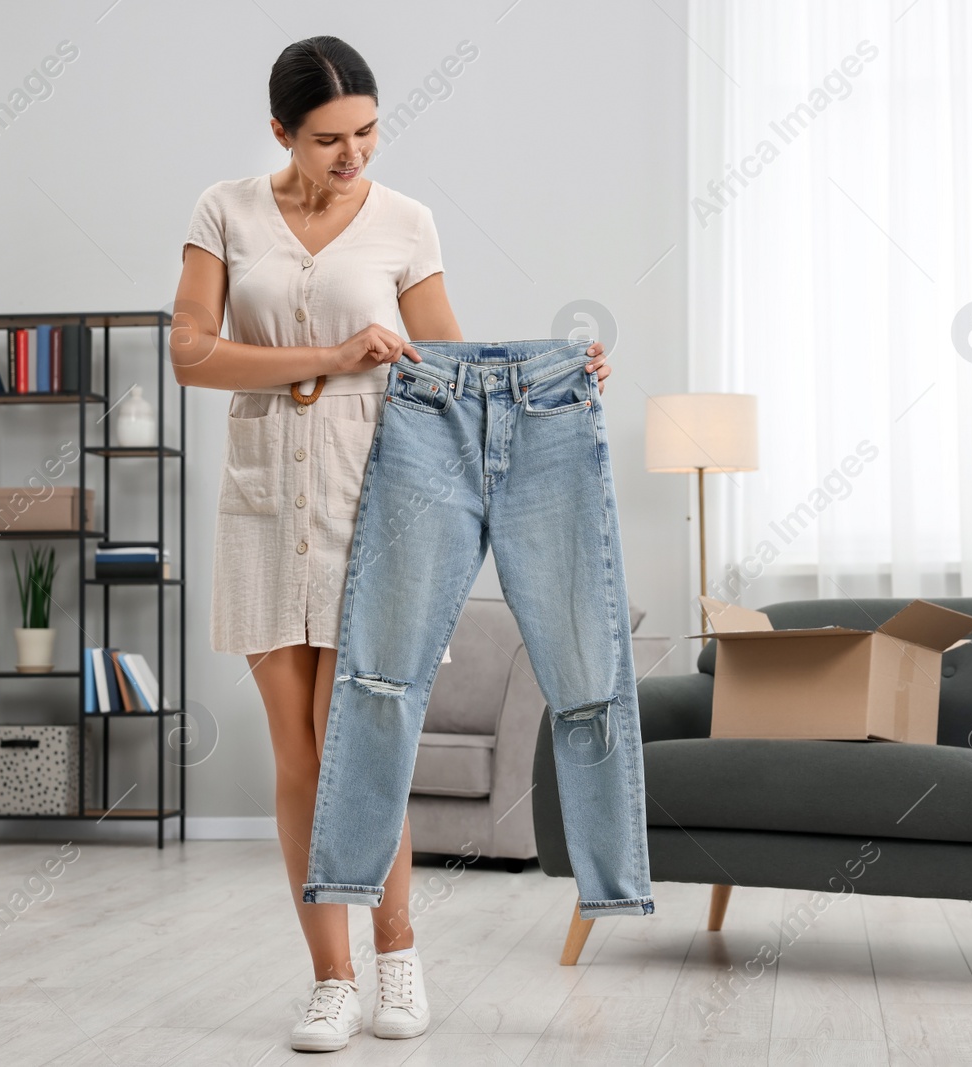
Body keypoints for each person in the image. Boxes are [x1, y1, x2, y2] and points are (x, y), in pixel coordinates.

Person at [170, 35, 612, 1053]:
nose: (352, 153)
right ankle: (330, 979)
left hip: (379, 499)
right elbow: (190, 351)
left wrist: (556, 376)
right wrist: (328, 353)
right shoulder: (224, 212)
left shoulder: (405, 222)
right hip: (262, 506)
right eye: (329, 138)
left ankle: (398, 956)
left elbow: (451, 364)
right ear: (281, 131)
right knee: (299, 754)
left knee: (362, 747)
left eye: (367, 130)